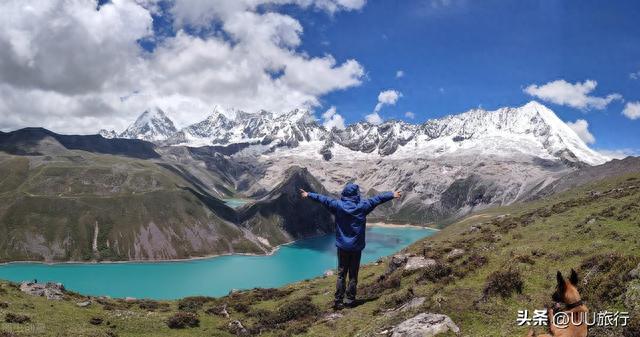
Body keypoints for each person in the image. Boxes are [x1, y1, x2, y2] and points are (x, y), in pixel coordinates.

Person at [300, 183, 401, 309]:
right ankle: (350, 300)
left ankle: (338, 301)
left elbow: (323, 199)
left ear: (344, 193)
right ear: (356, 194)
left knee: (341, 274)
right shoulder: (363, 206)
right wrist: (392, 195)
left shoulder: (337, 205)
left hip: (342, 246)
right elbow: (378, 199)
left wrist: (308, 194)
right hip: (356, 247)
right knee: (353, 274)